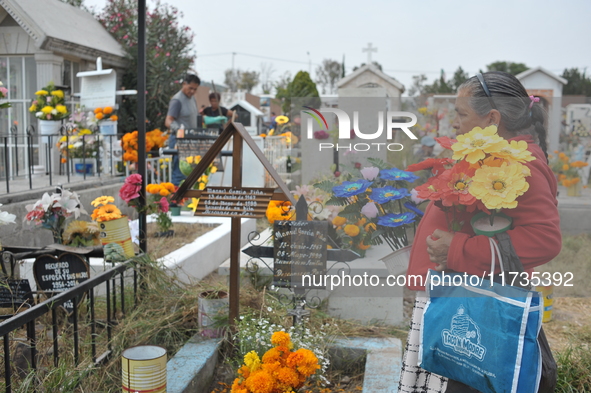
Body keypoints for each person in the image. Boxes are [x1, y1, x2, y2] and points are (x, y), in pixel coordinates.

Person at [398, 71, 562, 393]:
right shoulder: (497, 155)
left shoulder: (517, 164)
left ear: (491, 119)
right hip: (458, 295)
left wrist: (457, 249)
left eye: (461, 114)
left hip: (472, 306)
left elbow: (545, 238)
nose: (454, 124)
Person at [165, 74, 201, 186]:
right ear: (184, 84)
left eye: (195, 89)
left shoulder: (192, 99)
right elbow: (168, 121)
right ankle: (176, 201)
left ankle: (186, 201)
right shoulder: (177, 100)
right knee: (179, 173)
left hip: (190, 141)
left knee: (189, 173)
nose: (192, 91)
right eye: (190, 88)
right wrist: (180, 130)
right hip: (179, 141)